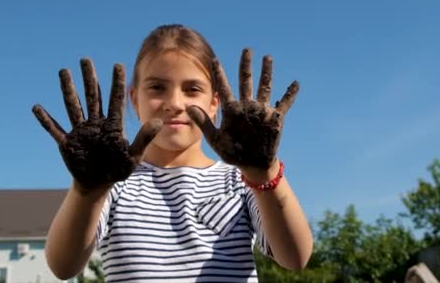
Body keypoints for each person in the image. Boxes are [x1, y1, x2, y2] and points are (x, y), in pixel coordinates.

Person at [32, 24, 313, 282]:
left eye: (192, 89)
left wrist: (264, 171)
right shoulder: (113, 182)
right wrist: (87, 191)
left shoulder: (241, 181)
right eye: (157, 87)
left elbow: (295, 257)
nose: (175, 103)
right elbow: (63, 266)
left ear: (215, 103)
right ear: (133, 99)